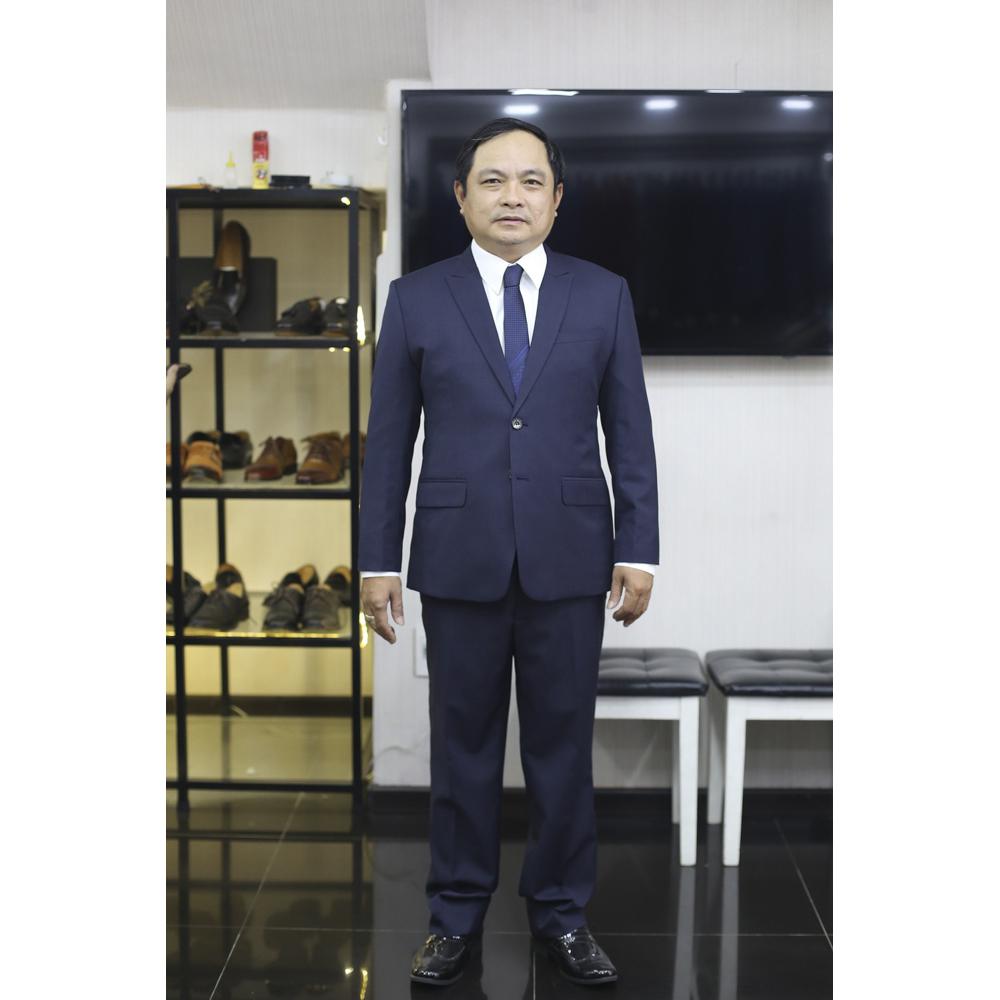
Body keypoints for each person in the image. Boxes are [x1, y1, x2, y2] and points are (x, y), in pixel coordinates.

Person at [359, 117, 658, 988]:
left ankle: (561, 915)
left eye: (531, 181)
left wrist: (639, 548)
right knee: (462, 751)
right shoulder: (417, 298)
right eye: (493, 180)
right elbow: (389, 443)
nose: (512, 196)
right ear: (461, 197)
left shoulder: (602, 294)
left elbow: (629, 432)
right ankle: (454, 918)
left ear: (557, 200)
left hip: (572, 557)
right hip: (459, 558)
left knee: (562, 749)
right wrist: (378, 560)